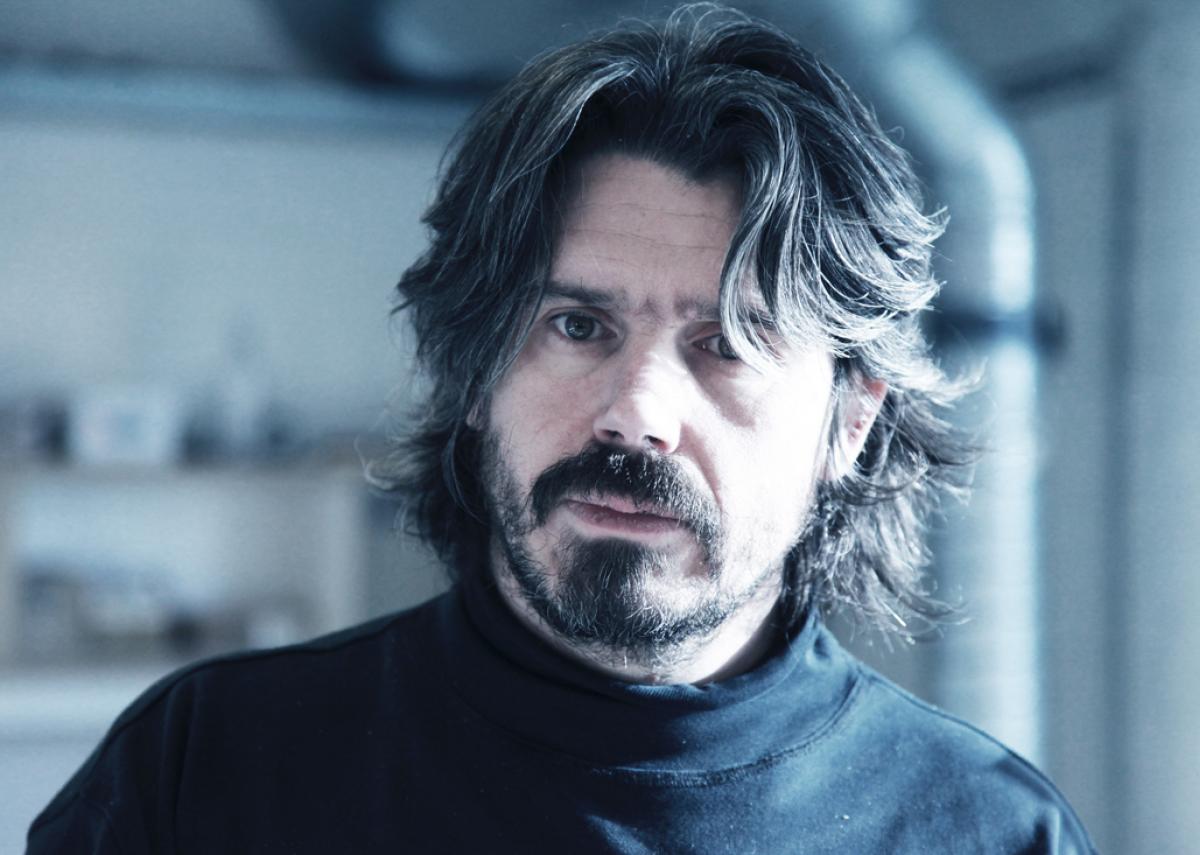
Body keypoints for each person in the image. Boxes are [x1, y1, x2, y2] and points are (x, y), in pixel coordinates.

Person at [28, 5, 1095, 853]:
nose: (637, 411)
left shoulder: (990, 832)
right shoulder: (205, 777)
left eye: (728, 344)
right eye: (578, 325)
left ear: (848, 424)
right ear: (474, 372)